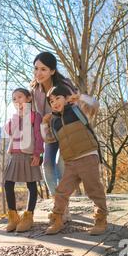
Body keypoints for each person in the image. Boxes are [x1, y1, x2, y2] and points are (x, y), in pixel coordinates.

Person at [40, 85, 108, 235]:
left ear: (66, 98)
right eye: (51, 101)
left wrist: (80, 97)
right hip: (70, 162)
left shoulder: (78, 110)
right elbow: (49, 139)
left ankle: (101, 219)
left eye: (58, 98)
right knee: (61, 192)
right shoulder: (54, 121)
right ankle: (58, 219)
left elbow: (95, 105)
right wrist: (44, 124)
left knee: (94, 189)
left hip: (87, 156)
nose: (55, 103)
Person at [30, 52, 77, 223]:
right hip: (49, 135)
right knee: (48, 165)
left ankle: (63, 208)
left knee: (61, 166)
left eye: (43, 69)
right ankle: (59, 205)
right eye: (36, 68)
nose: (38, 73)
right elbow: (35, 119)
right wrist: (36, 147)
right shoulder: (34, 90)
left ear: (52, 70)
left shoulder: (64, 85)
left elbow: (76, 108)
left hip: (68, 132)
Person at [3, 88, 44, 233]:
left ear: (28, 99)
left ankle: (28, 216)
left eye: (20, 97)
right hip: (15, 155)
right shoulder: (14, 117)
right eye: (14, 99)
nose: (17, 101)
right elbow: (8, 131)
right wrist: (16, 117)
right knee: (8, 184)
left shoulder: (35, 116)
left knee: (31, 185)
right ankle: (13, 216)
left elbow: (39, 136)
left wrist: (38, 154)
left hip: (29, 155)